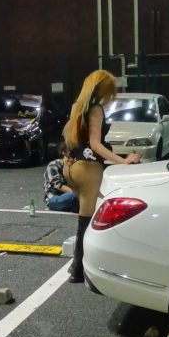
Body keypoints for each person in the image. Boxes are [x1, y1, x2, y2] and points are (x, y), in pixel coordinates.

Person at [62, 70, 141, 283]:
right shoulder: (96, 109)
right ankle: (78, 270)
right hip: (87, 168)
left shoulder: (76, 106)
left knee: (83, 215)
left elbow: (70, 137)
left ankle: (75, 265)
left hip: (70, 165)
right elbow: (95, 144)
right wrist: (123, 160)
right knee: (86, 221)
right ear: (104, 89)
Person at [43, 143, 79, 213]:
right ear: (64, 153)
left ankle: (76, 205)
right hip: (54, 199)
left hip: (70, 196)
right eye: (69, 157)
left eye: (73, 158)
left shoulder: (75, 165)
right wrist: (79, 194)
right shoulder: (53, 165)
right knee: (75, 195)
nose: (71, 160)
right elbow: (58, 186)